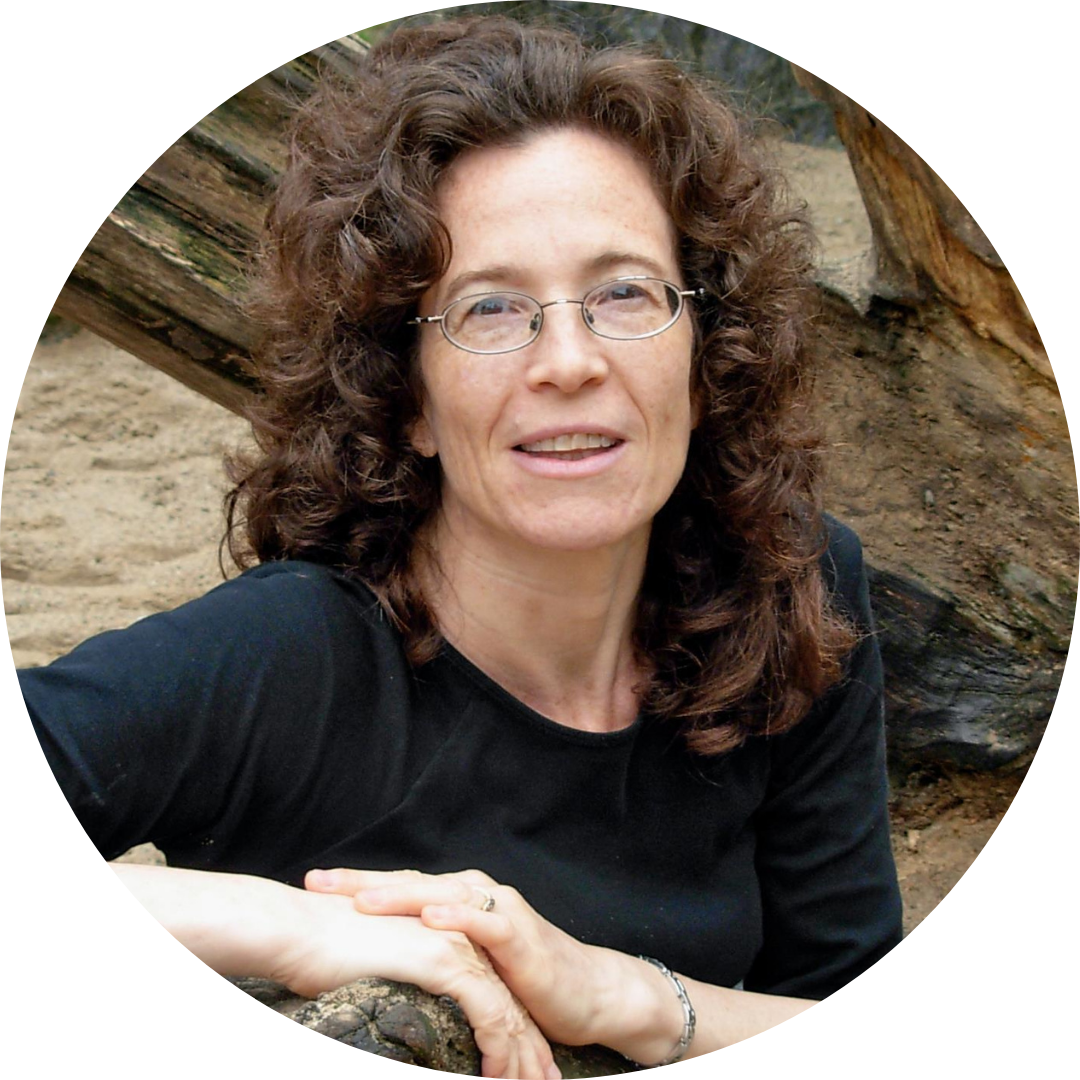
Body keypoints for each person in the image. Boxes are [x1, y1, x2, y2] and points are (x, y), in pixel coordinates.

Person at [20, 15, 901, 1078]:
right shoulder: (289, 653)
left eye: (624, 292)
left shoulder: (791, 590)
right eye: (489, 308)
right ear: (407, 401)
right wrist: (291, 930)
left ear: (706, 356)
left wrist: (622, 995)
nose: (569, 360)